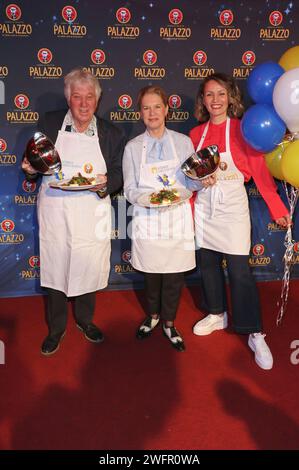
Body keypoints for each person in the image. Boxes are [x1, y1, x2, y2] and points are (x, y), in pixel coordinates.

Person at [189, 73, 291, 370]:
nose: (215, 100)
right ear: (203, 101)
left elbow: (259, 173)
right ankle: (217, 313)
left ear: (230, 97)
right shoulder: (196, 135)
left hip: (233, 209)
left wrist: (276, 208)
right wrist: (198, 181)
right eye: (209, 95)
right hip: (205, 209)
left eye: (221, 94)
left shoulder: (242, 130)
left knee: (239, 273)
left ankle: (254, 332)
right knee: (207, 265)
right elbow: (191, 174)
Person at [22, 68, 125, 355]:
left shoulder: (111, 132)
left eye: (89, 97)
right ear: (69, 99)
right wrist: (29, 169)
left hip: (92, 211)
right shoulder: (50, 122)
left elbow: (118, 173)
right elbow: (35, 161)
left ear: (97, 100)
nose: (83, 103)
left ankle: (84, 320)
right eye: (77, 97)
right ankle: (56, 329)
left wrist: (106, 184)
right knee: (56, 264)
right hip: (56, 208)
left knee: (89, 264)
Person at [123, 85, 197, 351]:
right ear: (140, 113)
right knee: (152, 276)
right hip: (147, 219)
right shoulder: (132, 148)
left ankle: (169, 322)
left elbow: (192, 182)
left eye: (157, 107)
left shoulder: (183, 142)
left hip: (177, 218)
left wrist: (199, 183)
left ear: (167, 109)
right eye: (146, 108)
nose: (152, 112)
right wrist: (151, 200)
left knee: (175, 278)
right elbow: (130, 189)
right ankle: (152, 317)